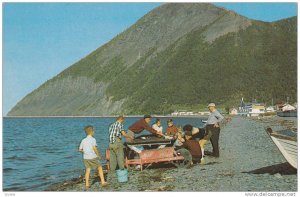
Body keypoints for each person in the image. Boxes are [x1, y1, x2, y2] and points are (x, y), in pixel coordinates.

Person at [79, 126, 108, 190]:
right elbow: (94, 148)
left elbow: (80, 149)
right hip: (93, 157)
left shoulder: (83, 140)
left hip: (86, 157)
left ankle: (87, 184)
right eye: (93, 131)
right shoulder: (93, 139)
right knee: (100, 167)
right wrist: (98, 155)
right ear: (92, 132)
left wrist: (85, 151)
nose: (94, 132)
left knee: (88, 170)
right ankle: (103, 182)